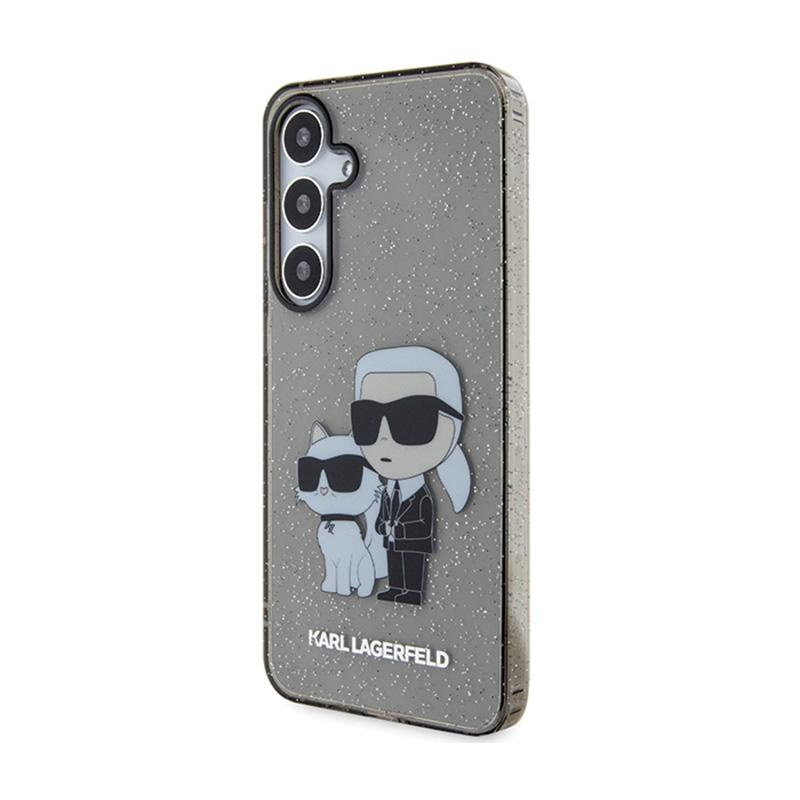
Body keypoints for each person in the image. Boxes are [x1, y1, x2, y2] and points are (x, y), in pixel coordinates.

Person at [351, 346, 470, 605]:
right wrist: (383, 527)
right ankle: (396, 588)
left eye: (412, 420)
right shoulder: (388, 491)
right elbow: (383, 514)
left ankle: (412, 591)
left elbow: (423, 522)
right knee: (394, 562)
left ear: (451, 426)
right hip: (392, 540)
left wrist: (399, 528)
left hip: (412, 542)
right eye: (367, 419)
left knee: (412, 566)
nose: (384, 437)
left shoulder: (421, 495)